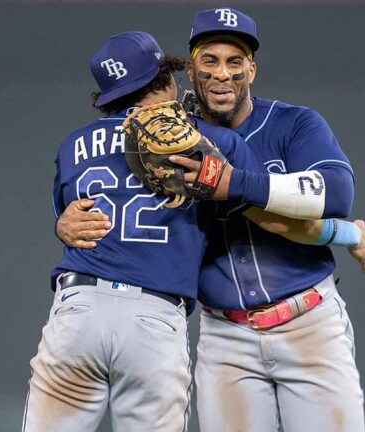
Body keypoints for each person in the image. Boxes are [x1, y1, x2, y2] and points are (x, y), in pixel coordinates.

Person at [55, 9, 365, 431]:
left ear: (252, 69)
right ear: (190, 69)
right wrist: (64, 222)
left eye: (234, 61)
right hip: (227, 337)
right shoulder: (163, 138)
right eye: (209, 61)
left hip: (309, 322)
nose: (222, 74)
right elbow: (108, 193)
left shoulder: (293, 122)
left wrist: (232, 183)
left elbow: (336, 193)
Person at [23, 31, 269, 432]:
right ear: (168, 79)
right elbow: (266, 211)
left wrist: (60, 224)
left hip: (77, 310)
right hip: (153, 318)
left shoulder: (72, 146)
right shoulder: (214, 142)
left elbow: (66, 221)